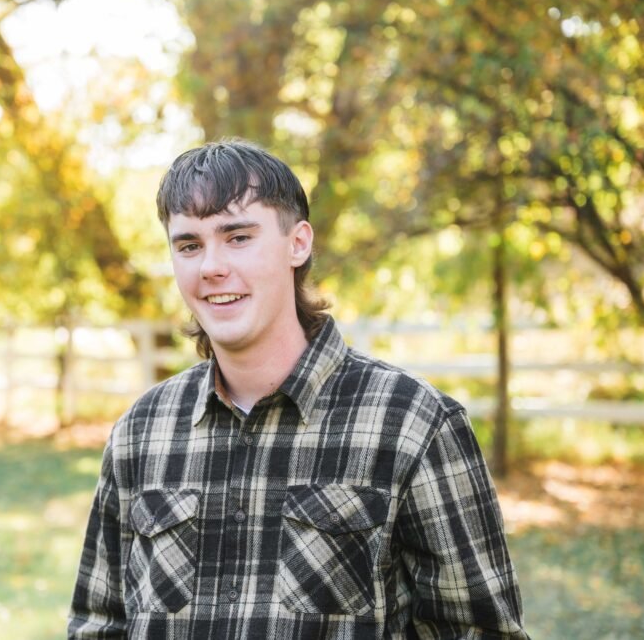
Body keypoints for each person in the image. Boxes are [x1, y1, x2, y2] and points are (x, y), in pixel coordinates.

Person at [68, 139, 527, 639]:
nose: (211, 267)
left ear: (298, 243)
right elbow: (99, 625)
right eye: (189, 245)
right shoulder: (140, 432)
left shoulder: (413, 425)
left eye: (238, 236)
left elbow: (478, 632)